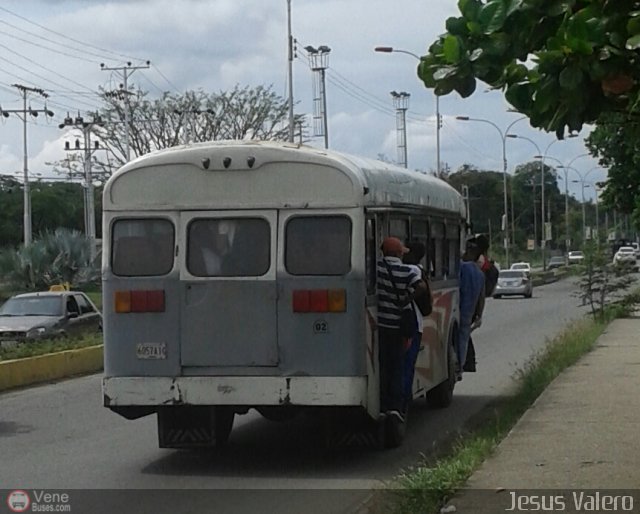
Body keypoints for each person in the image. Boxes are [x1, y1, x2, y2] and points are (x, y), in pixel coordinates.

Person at [377, 237, 424, 422]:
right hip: (398, 328)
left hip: (382, 326)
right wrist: (407, 299)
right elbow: (420, 287)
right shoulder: (406, 271)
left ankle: (382, 404)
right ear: (397, 253)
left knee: (383, 366)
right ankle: (395, 407)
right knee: (397, 366)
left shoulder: (377, 268)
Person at [401, 241, 429, 408]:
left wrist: (407, 299)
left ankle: (402, 401)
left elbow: (421, 288)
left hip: (409, 324)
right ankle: (404, 401)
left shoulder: (411, 270)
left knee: (404, 364)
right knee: (407, 365)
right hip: (414, 324)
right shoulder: (418, 269)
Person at [457, 236, 485, 381]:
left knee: (459, 338)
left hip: (457, 309)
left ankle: (458, 366)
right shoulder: (480, 274)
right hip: (469, 313)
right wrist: (479, 315)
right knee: (463, 339)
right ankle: (460, 367)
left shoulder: (461, 267)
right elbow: (481, 298)